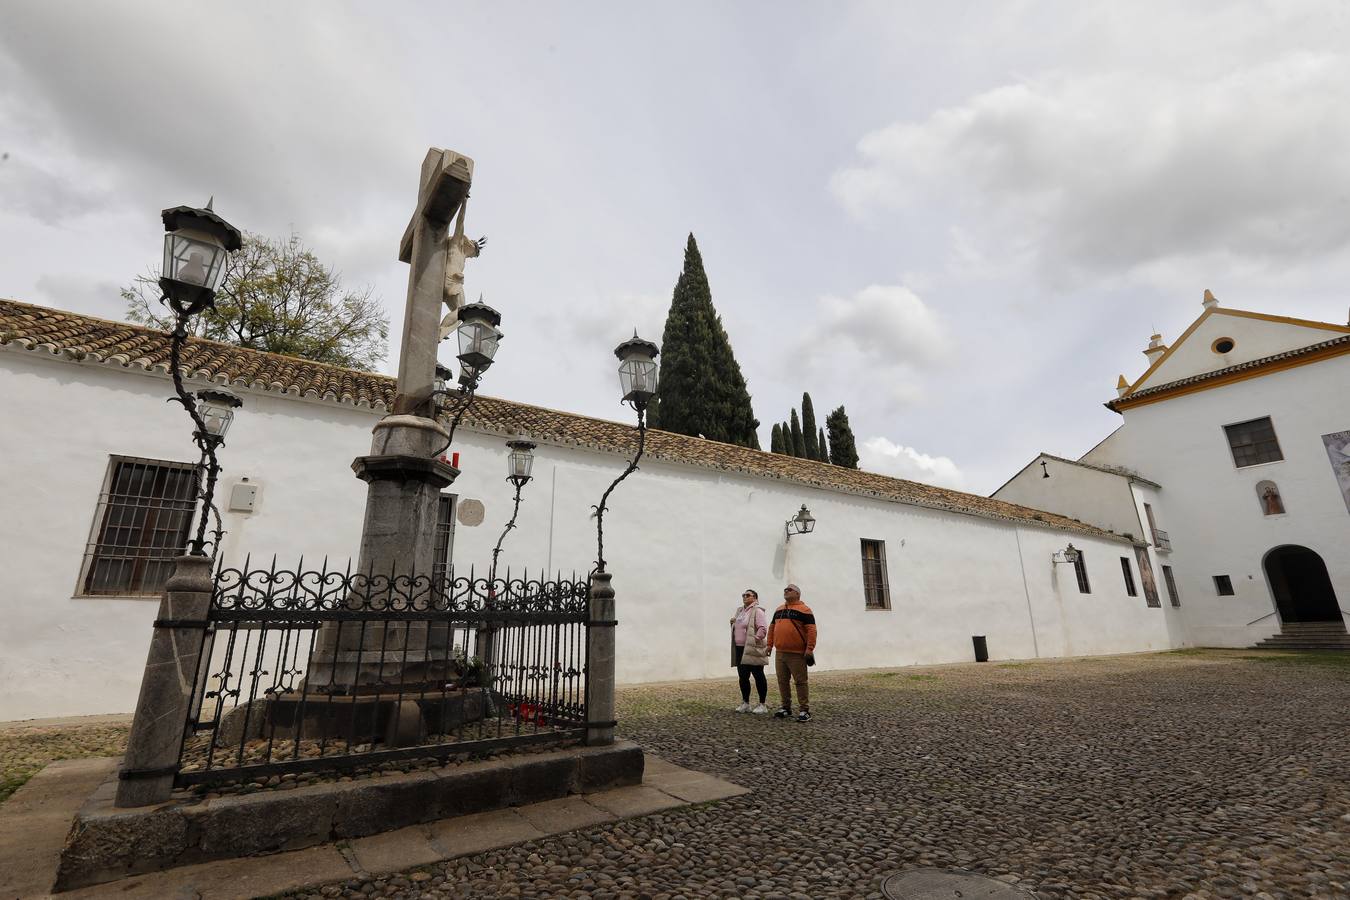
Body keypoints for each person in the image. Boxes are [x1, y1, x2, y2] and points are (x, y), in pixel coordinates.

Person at [766, 583, 816, 721]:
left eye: (790, 590)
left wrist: (809, 649)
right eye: (785, 590)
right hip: (780, 652)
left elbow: (811, 630)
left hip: (797, 653)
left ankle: (804, 710)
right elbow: (772, 628)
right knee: (782, 681)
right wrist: (769, 645)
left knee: (800, 681)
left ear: (797, 594)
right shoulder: (779, 609)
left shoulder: (805, 610)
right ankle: (786, 707)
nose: (786, 591)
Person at [730, 589, 769, 714]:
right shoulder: (740, 611)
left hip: (752, 648)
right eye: (743, 595)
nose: (745, 597)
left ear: (755, 598)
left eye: (748, 595)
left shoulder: (757, 611)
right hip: (740, 648)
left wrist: (754, 639)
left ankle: (762, 704)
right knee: (743, 676)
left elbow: (762, 629)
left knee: (758, 675)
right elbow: (739, 627)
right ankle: (745, 703)